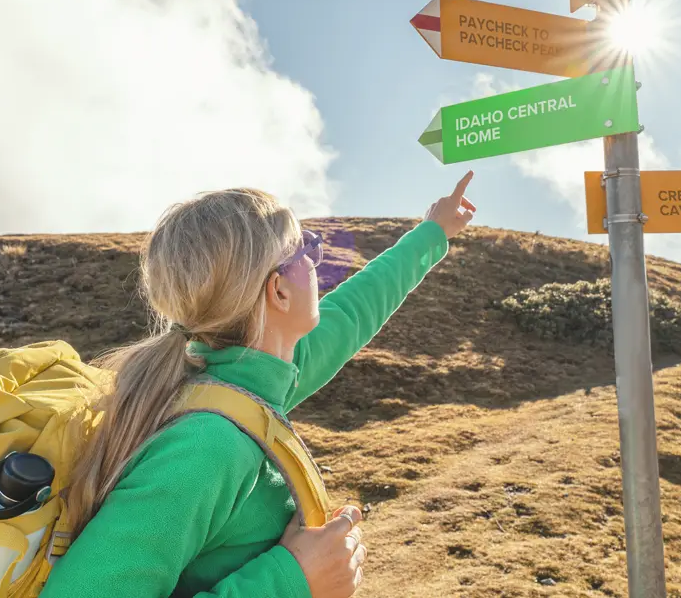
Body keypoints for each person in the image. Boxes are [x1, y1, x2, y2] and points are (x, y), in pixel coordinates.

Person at [39, 171, 477, 598]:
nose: (316, 260)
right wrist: (291, 580)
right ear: (279, 292)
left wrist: (433, 231)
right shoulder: (206, 448)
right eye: (306, 248)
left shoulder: (244, 387)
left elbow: (352, 314)